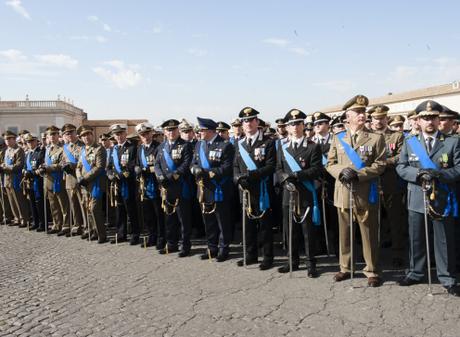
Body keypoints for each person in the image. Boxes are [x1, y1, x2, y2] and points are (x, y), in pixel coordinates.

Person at [396, 100, 460, 296]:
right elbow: (401, 166)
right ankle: (416, 272)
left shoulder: (452, 141)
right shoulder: (410, 142)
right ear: (418, 121)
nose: (429, 121)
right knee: (416, 238)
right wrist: (417, 175)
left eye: (433, 117)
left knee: (443, 240)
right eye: (425, 117)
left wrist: (440, 175)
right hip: (416, 197)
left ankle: (447, 277)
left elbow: (458, 168)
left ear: (438, 119)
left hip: (442, 198)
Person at [326, 95, 386, 287]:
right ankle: (345, 267)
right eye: (358, 112)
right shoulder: (338, 138)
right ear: (348, 116)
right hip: (343, 191)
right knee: (345, 233)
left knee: (368, 233)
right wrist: (340, 171)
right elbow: (330, 163)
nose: (362, 115)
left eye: (363, 112)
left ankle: (372, 270)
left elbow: (380, 164)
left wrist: (358, 174)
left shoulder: (376, 138)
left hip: (365, 191)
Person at [276, 109, 323, 277]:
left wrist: (297, 175)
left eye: (298, 123)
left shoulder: (312, 146)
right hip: (288, 193)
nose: (295, 127)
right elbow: (278, 169)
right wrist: (284, 178)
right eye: (291, 124)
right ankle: (292, 261)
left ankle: (311, 263)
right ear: (287, 127)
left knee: (307, 231)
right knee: (290, 230)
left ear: (303, 125)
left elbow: (317, 169)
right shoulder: (282, 147)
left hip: (305, 193)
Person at [234, 106, 276, 270]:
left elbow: (271, 166)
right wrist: (238, 179)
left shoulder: (268, 142)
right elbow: (235, 166)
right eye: (245, 121)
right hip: (245, 190)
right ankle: (250, 255)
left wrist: (252, 176)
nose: (248, 123)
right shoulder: (239, 144)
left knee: (265, 226)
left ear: (257, 122)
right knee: (248, 225)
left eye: (251, 120)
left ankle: (268, 257)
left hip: (262, 189)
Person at [191, 117, 235, 261]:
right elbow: (193, 163)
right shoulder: (199, 145)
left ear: (210, 130)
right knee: (208, 221)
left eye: (202, 130)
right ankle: (211, 248)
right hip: (204, 189)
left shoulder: (225, 145)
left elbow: (227, 168)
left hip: (219, 188)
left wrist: (207, 172)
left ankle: (224, 249)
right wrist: (195, 169)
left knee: (222, 221)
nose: (199, 132)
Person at [369, 105, 406, 267]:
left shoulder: (396, 136)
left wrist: (383, 163)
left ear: (386, 119)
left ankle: (398, 252)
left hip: (391, 184)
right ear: (372, 120)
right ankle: (373, 253)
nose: (378, 121)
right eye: (376, 118)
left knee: (395, 220)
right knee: (373, 221)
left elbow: (400, 156)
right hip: (370, 184)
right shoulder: (366, 136)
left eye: (381, 118)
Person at [154, 119, 193, 257]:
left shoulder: (185, 145)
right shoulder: (161, 147)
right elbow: (157, 164)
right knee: (169, 218)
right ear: (164, 132)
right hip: (166, 188)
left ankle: (185, 246)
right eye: (168, 130)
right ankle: (171, 244)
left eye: (173, 129)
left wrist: (172, 176)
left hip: (180, 186)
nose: (171, 132)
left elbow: (186, 164)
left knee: (183, 219)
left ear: (178, 130)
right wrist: (159, 176)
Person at [107, 124, 140, 245]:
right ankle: (121, 234)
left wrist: (121, 175)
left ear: (125, 134)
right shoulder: (113, 149)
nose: (119, 136)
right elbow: (109, 166)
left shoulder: (132, 147)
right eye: (116, 134)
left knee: (131, 209)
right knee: (119, 209)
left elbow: (133, 164)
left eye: (121, 133)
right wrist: (110, 174)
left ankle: (135, 234)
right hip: (116, 184)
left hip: (128, 182)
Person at [134, 122, 165, 249]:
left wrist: (147, 170)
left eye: (147, 133)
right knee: (148, 214)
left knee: (159, 213)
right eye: (142, 134)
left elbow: (161, 166)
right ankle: (152, 236)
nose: (145, 136)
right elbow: (137, 163)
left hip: (156, 183)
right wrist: (136, 168)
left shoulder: (158, 147)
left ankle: (161, 238)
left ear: (152, 133)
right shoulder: (140, 148)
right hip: (145, 185)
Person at [76, 125, 108, 243]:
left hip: (96, 184)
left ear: (92, 135)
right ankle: (93, 231)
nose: (86, 137)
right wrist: (80, 177)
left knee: (95, 209)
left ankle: (101, 234)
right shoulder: (83, 150)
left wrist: (85, 178)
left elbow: (99, 167)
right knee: (88, 209)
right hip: (85, 184)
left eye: (88, 134)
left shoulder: (99, 149)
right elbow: (78, 167)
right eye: (83, 136)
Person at [39, 126, 69, 235]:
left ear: (58, 135)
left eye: (54, 134)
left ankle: (66, 226)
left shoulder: (63, 149)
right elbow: (46, 163)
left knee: (63, 204)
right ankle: (57, 224)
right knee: (53, 205)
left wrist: (48, 168)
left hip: (59, 179)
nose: (52, 137)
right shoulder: (47, 149)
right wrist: (42, 167)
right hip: (48, 180)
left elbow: (62, 164)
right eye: (49, 135)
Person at [0, 130, 30, 228]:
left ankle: (23, 219)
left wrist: (4, 167)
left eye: (9, 139)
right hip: (7, 179)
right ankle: (16, 218)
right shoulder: (7, 150)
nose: (7, 141)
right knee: (11, 200)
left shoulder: (19, 150)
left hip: (16, 178)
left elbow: (18, 165)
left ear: (14, 139)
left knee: (19, 200)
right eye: (6, 139)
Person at [61, 123, 84, 237]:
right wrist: (63, 165)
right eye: (66, 133)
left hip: (79, 178)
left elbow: (83, 162)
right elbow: (62, 160)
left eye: (71, 132)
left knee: (82, 204)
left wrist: (72, 165)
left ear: (76, 133)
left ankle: (86, 226)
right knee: (73, 205)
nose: (69, 135)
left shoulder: (82, 146)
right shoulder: (65, 147)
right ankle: (77, 226)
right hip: (69, 179)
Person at [23, 133, 46, 231]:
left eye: (32, 141)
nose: (30, 143)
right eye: (28, 142)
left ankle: (42, 223)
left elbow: (41, 166)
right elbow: (24, 166)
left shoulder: (40, 152)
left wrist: (32, 173)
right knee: (32, 202)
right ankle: (35, 222)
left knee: (39, 203)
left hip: (38, 180)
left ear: (36, 141)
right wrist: (24, 171)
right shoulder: (28, 153)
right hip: (29, 181)